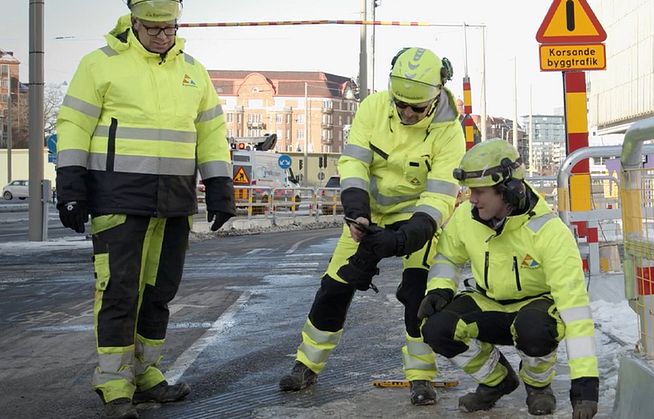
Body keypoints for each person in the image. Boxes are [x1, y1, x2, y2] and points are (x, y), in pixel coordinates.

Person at [55, 1, 235, 417]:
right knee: (120, 290)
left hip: (173, 200)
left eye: (168, 28)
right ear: (133, 23)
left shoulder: (192, 71)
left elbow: (211, 131)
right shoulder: (100, 65)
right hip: (118, 197)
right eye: (152, 28)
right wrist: (71, 186)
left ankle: (145, 373)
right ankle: (115, 382)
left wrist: (220, 186)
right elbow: (74, 125)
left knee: (159, 292)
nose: (161, 36)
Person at [279, 47, 466, 406]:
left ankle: (421, 376)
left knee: (418, 295)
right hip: (369, 214)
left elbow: (441, 194)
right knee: (334, 288)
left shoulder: (449, 131)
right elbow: (353, 163)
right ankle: (307, 365)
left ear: (437, 94)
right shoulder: (373, 108)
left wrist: (405, 237)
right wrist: (356, 213)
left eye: (417, 107)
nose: (407, 113)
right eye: (401, 104)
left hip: (419, 220)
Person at [417, 140, 599, 418]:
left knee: (536, 330)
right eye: (470, 192)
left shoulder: (549, 233)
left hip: (534, 309)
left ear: (509, 190)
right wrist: (439, 290)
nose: (472, 199)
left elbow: (574, 311)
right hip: (488, 303)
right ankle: (496, 381)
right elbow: (448, 257)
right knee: (436, 327)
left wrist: (585, 386)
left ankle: (538, 387)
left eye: (479, 192)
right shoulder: (467, 217)